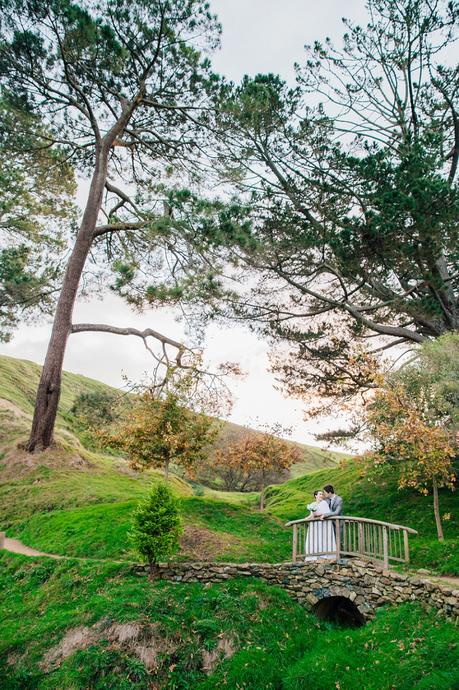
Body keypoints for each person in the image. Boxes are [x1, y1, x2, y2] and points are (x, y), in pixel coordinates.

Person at [304, 490, 336, 561]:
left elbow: (326, 513)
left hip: (323, 524)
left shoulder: (324, 503)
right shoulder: (312, 504)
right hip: (315, 524)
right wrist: (306, 518)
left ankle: (325, 554)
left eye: (322, 494)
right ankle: (314, 554)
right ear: (315, 496)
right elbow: (312, 515)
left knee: (323, 537)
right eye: (320, 494)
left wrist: (316, 514)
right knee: (315, 537)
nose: (321, 495)